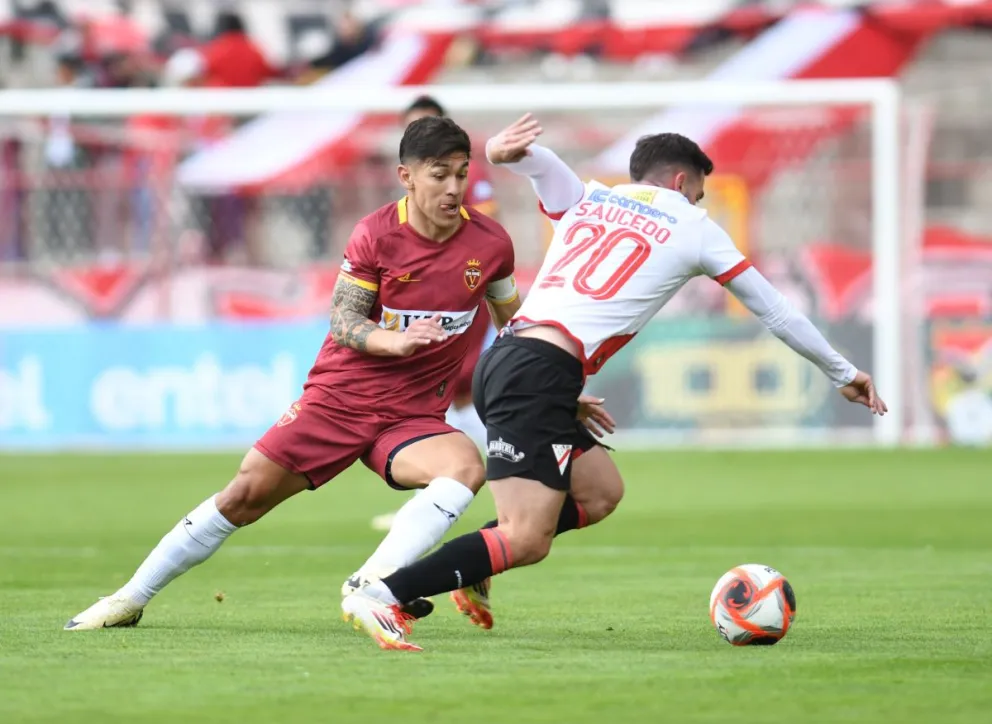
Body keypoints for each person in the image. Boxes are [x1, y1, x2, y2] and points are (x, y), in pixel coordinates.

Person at [342, 114, 889, 652]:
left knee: (600, 491)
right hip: (534, 374)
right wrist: (845, 372)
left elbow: (538, 164)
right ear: (681, 182)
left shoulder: (591, 198)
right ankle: (386, 592)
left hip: (525, 363)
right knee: (527, 539)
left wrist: (504, 155)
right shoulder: (694, 225)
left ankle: (477, 563)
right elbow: (775, 310)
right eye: (698, 192)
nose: (698, 203)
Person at [64, 116, 524, 631]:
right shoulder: (375, 234)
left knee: (464, 466)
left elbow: (514, 322)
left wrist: (553, 383)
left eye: (461, 174)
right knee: (243, 497)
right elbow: (345, 320)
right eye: (439, 174)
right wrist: (393, 339)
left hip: (412, 415)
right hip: (338, 401)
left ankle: (373, 584)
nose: (454, 188)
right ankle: (128, 598)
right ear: (406, 177)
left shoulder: (490, 244)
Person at [370, 95, 499, 533]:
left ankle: (505, 475)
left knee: (453, 392)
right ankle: (441, 495)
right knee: (444, 400)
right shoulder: (408, 193)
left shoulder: (465, 178)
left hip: (459, 295)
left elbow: (476, 236)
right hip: (422, 301)